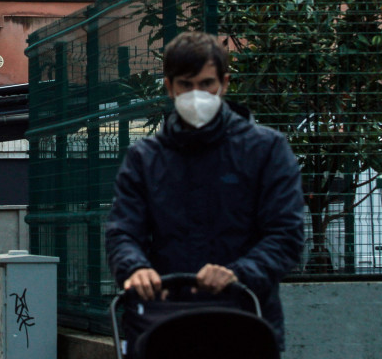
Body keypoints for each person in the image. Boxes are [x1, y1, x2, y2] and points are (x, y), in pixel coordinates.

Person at [105, 30, 304, 353]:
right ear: (169, 86)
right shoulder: (144, 158)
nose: (197, 94)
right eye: (186, 84)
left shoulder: (266, 150)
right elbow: (123, 231)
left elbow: (287, 235)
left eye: (206, 84)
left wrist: (237, 273)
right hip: (163, 323)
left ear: (224, 84)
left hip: (244, 320)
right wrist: (135, 269)